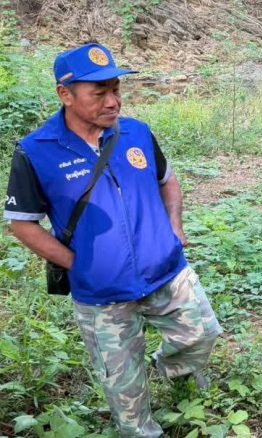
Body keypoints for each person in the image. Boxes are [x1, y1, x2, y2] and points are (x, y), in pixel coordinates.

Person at [3, 43, 221, 437]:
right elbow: (23, 225)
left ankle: (173, 372)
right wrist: (78, 264)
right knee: (126, 395)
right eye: (98, 93)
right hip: (102, 296)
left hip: (166, 272)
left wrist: (175, 224)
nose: (113, 101)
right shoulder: (36, 152)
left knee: (202, 334)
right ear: (65, 94)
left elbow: (167, 180)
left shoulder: (136, 132)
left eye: (116, 89)